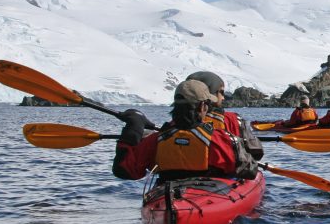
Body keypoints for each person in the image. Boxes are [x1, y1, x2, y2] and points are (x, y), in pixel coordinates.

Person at [112, 80, 258, 181]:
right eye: (207, 104)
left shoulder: (156, 140)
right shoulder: (220, 139)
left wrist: (132, 130)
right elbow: (250, 171)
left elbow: (123, 171)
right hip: (209, 198)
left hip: (167, 197)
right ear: (202, 107)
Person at [185, 71, 264, 160]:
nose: (223, 98)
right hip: (222, 170)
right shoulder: (233, 120)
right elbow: (256, 152)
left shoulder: (174, 125)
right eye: (221, 92)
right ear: (212, 94)